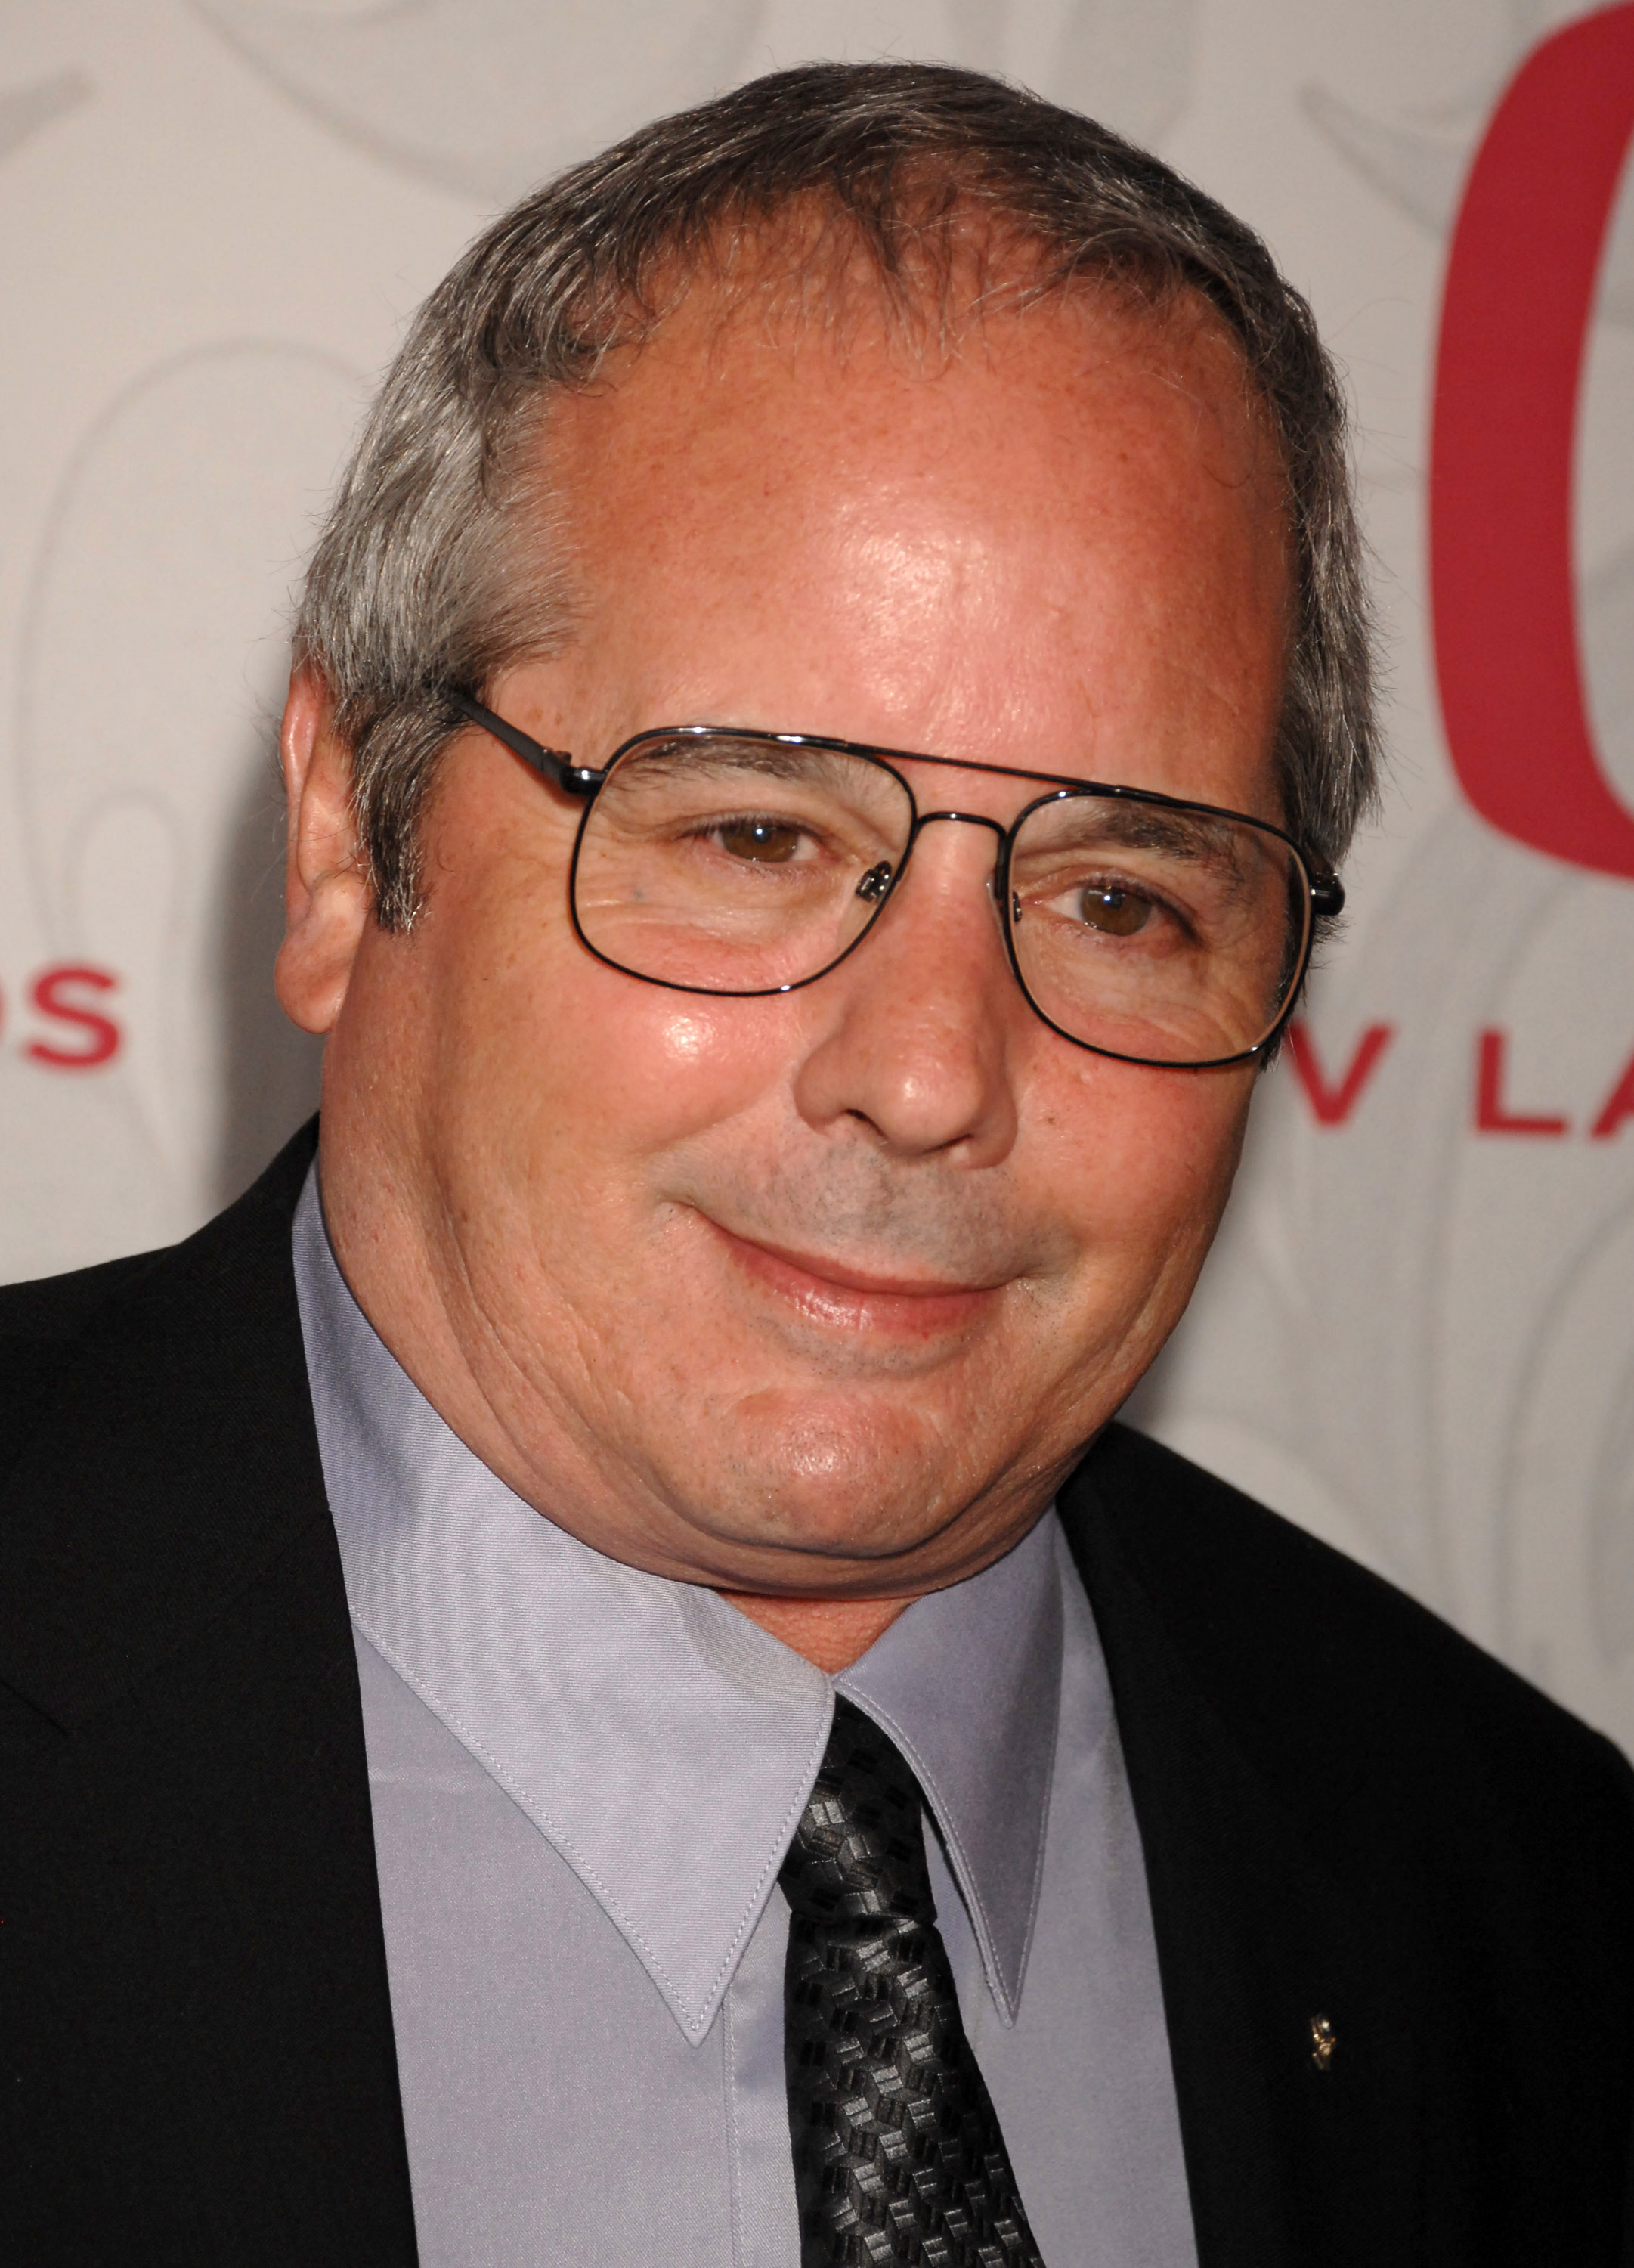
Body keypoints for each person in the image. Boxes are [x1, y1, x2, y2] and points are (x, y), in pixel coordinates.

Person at [4, 60, 1631, 2268]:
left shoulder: (1528, 1903)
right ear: (340, 832)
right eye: (756, 834)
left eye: (1120, 899)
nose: (931, 1074)